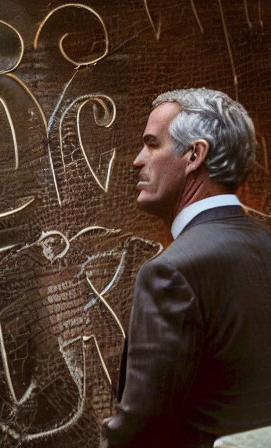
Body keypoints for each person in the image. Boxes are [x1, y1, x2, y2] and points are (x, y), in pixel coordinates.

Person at [101, 88, 271, 448]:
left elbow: (141, 431)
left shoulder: (171, 272)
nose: (136, 160)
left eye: (152, 144)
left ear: (194, 155)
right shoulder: (264, 245)